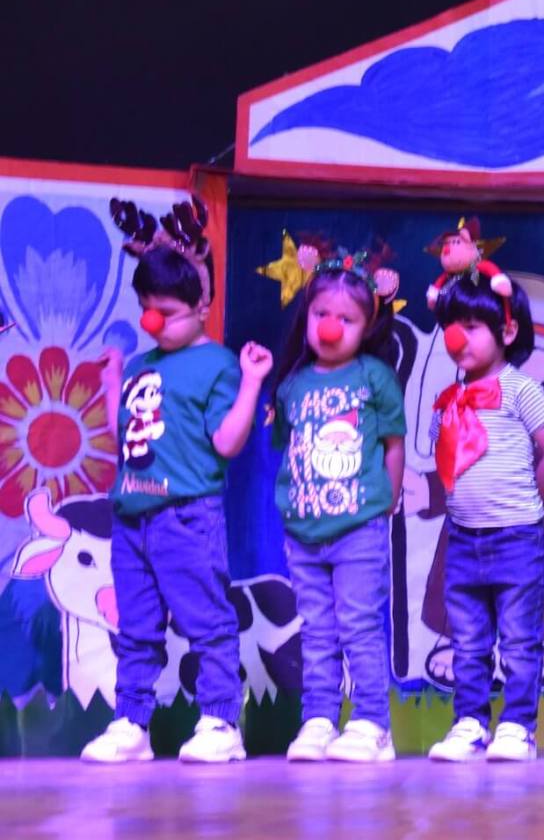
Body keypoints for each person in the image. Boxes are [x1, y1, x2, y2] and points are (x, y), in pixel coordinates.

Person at [83, 196, 270, 764]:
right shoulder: (143, 364)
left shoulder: (217, 363)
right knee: (136, 628)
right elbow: (125, 435)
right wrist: (114, 380)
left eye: (165, 310)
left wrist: (251, 382)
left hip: (187, 515)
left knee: (206, 621)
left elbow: (227, 443)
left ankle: (220, 721)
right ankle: (131, 724)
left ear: (200, 305)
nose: (152, 321)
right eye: (146, 308)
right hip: (131, 517)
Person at [423, 262, 544, 763]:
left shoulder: (519, 388)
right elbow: (447, 458)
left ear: (507, 331)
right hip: (463, 539)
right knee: (467, 641)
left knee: (520, 640)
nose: (457, 338)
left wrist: (529, 504)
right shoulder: (449, 398)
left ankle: (518, 726)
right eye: (451, 326)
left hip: (515, 538)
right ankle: (469, 723)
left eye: (471, 326)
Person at [270, 244, 407, 762]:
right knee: (317, 631)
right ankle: (320, 719)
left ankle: (372, 723)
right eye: (321, 314)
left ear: (366, 326)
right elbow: (290, 446)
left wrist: (387, 500)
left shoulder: (374, 377)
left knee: (358, 625)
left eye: (345, 319)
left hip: (358, 528)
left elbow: (393, 444)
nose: (330, 327)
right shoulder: (293, 385)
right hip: (304, 532)